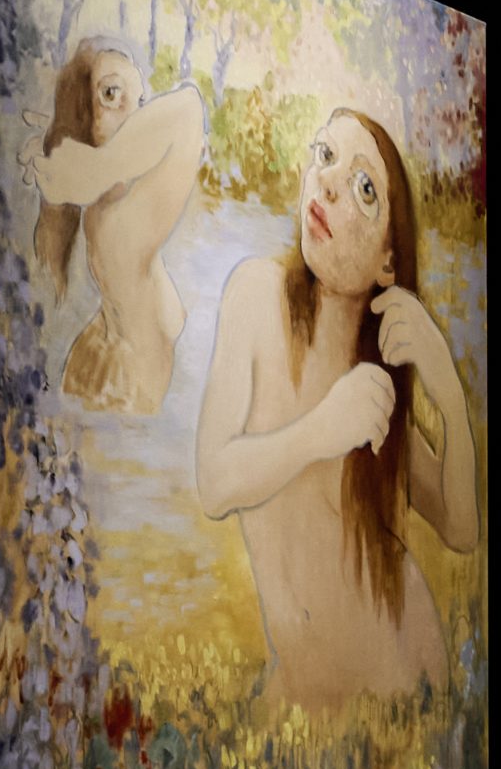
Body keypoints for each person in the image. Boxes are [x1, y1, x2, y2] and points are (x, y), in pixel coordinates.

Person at [193, 109, 480, 715]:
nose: (326, 184)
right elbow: (215, 483)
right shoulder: (254, 295)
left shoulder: (375, 383)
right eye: (324, 156)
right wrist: (321, 430)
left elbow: (461, 528)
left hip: (398, 682)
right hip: (299, 695)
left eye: (363, 188)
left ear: (388, 264)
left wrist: (449, 396)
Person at [19, 38, 203, 415]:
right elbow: (188, 110)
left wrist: (92, 166)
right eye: (111, 94)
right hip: (124, 389)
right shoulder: (117, 221)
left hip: (105, 369)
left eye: (138, 103)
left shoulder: (110, 207)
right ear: (84, 117)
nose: (134, 118)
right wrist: (97, 167)